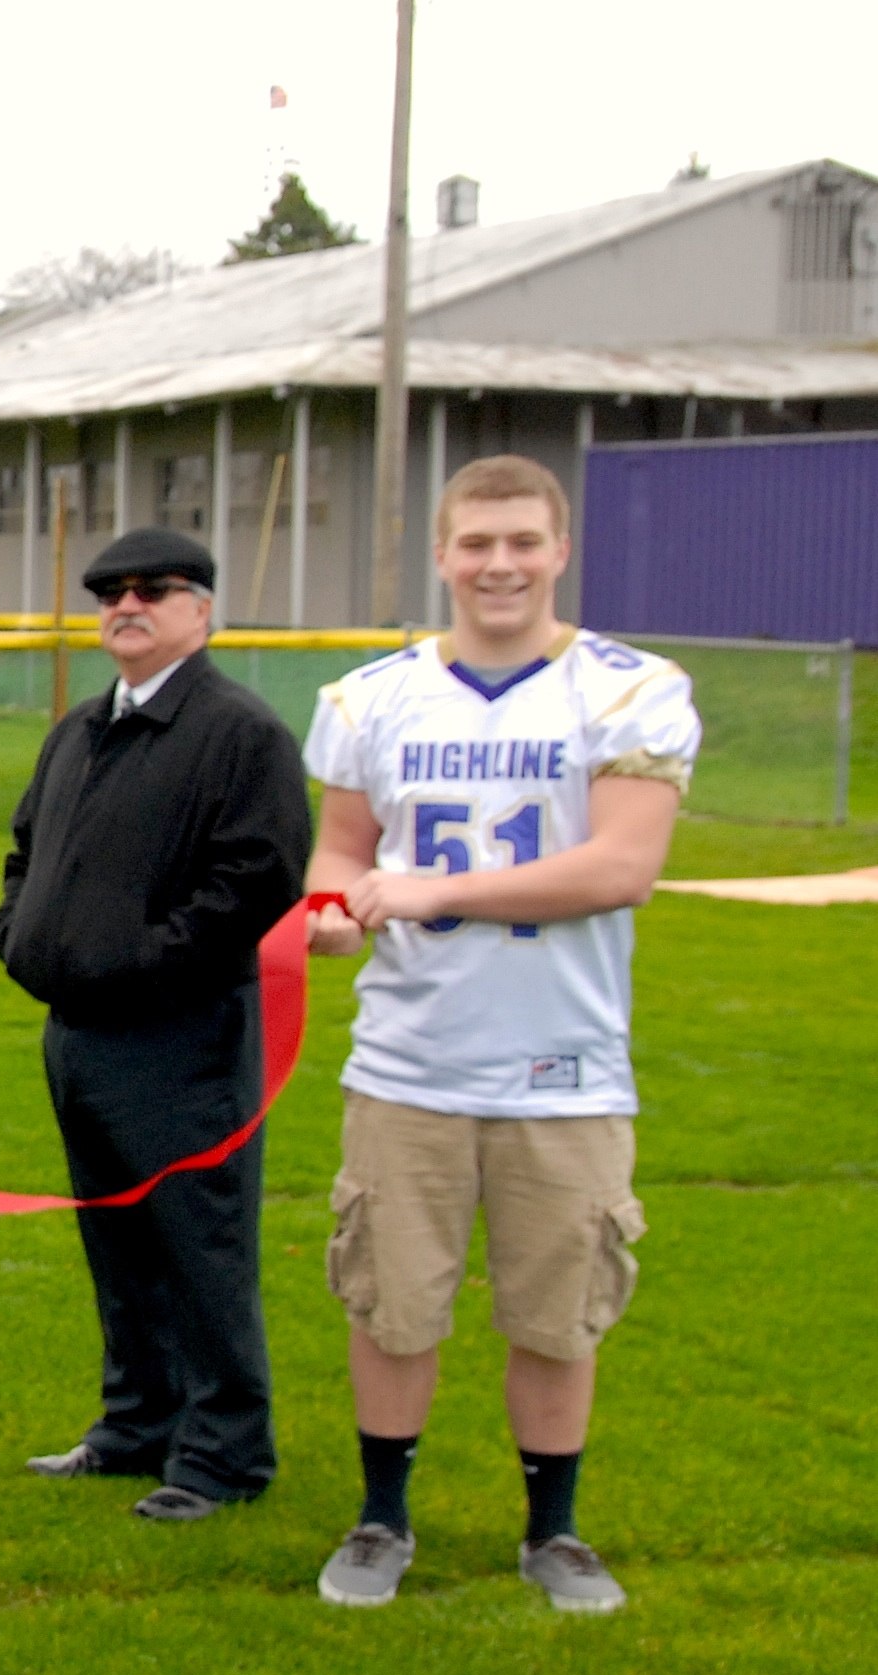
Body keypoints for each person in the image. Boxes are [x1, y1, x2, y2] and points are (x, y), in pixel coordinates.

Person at [302, 456, 693, 1614]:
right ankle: (382, 1516)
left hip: (565, 1066)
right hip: (407, 1062)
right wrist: (329, 913)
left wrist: (426, 892)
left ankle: (554, 1530)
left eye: (522, 540)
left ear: (560, 549)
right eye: (477, 543)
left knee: (558, 1311)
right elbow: (340, 849)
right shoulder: (372, 697)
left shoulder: (628, 687)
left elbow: (623, 865)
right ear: (442, 554)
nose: (500, 563)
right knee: (392, 1301)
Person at [0, 528, 313, 1522]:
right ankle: (136, 1423)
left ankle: (225, 1451)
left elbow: (255, 883)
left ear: (201, 609)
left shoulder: (238, 733)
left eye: (152, 590)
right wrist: (21, 933)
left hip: (182, 1038)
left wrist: (142, 962)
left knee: (196, 1243)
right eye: (111, 594)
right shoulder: (83, 729)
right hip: (79, 1032)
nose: (126, 606)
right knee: (117, 1238)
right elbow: (25, 850)